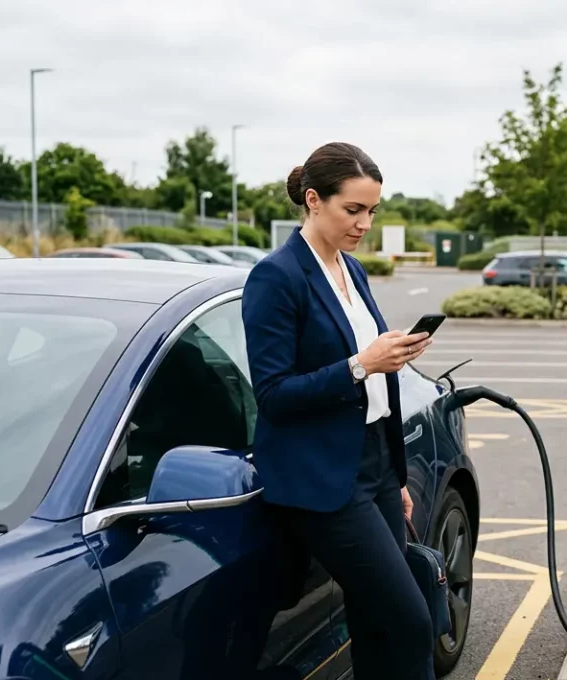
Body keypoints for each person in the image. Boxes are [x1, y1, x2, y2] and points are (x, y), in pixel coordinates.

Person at [241, 141, 436, 679]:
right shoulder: (276, 277)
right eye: (353, 209)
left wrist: (393, 472)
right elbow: (274, 395)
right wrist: (361, 364)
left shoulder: (353, 271)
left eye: (372, 211)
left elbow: (373, 385)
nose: (364, 223)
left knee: (375, 620)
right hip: (324, 480)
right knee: (408, 620)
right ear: (313, 200)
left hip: (373, 463)